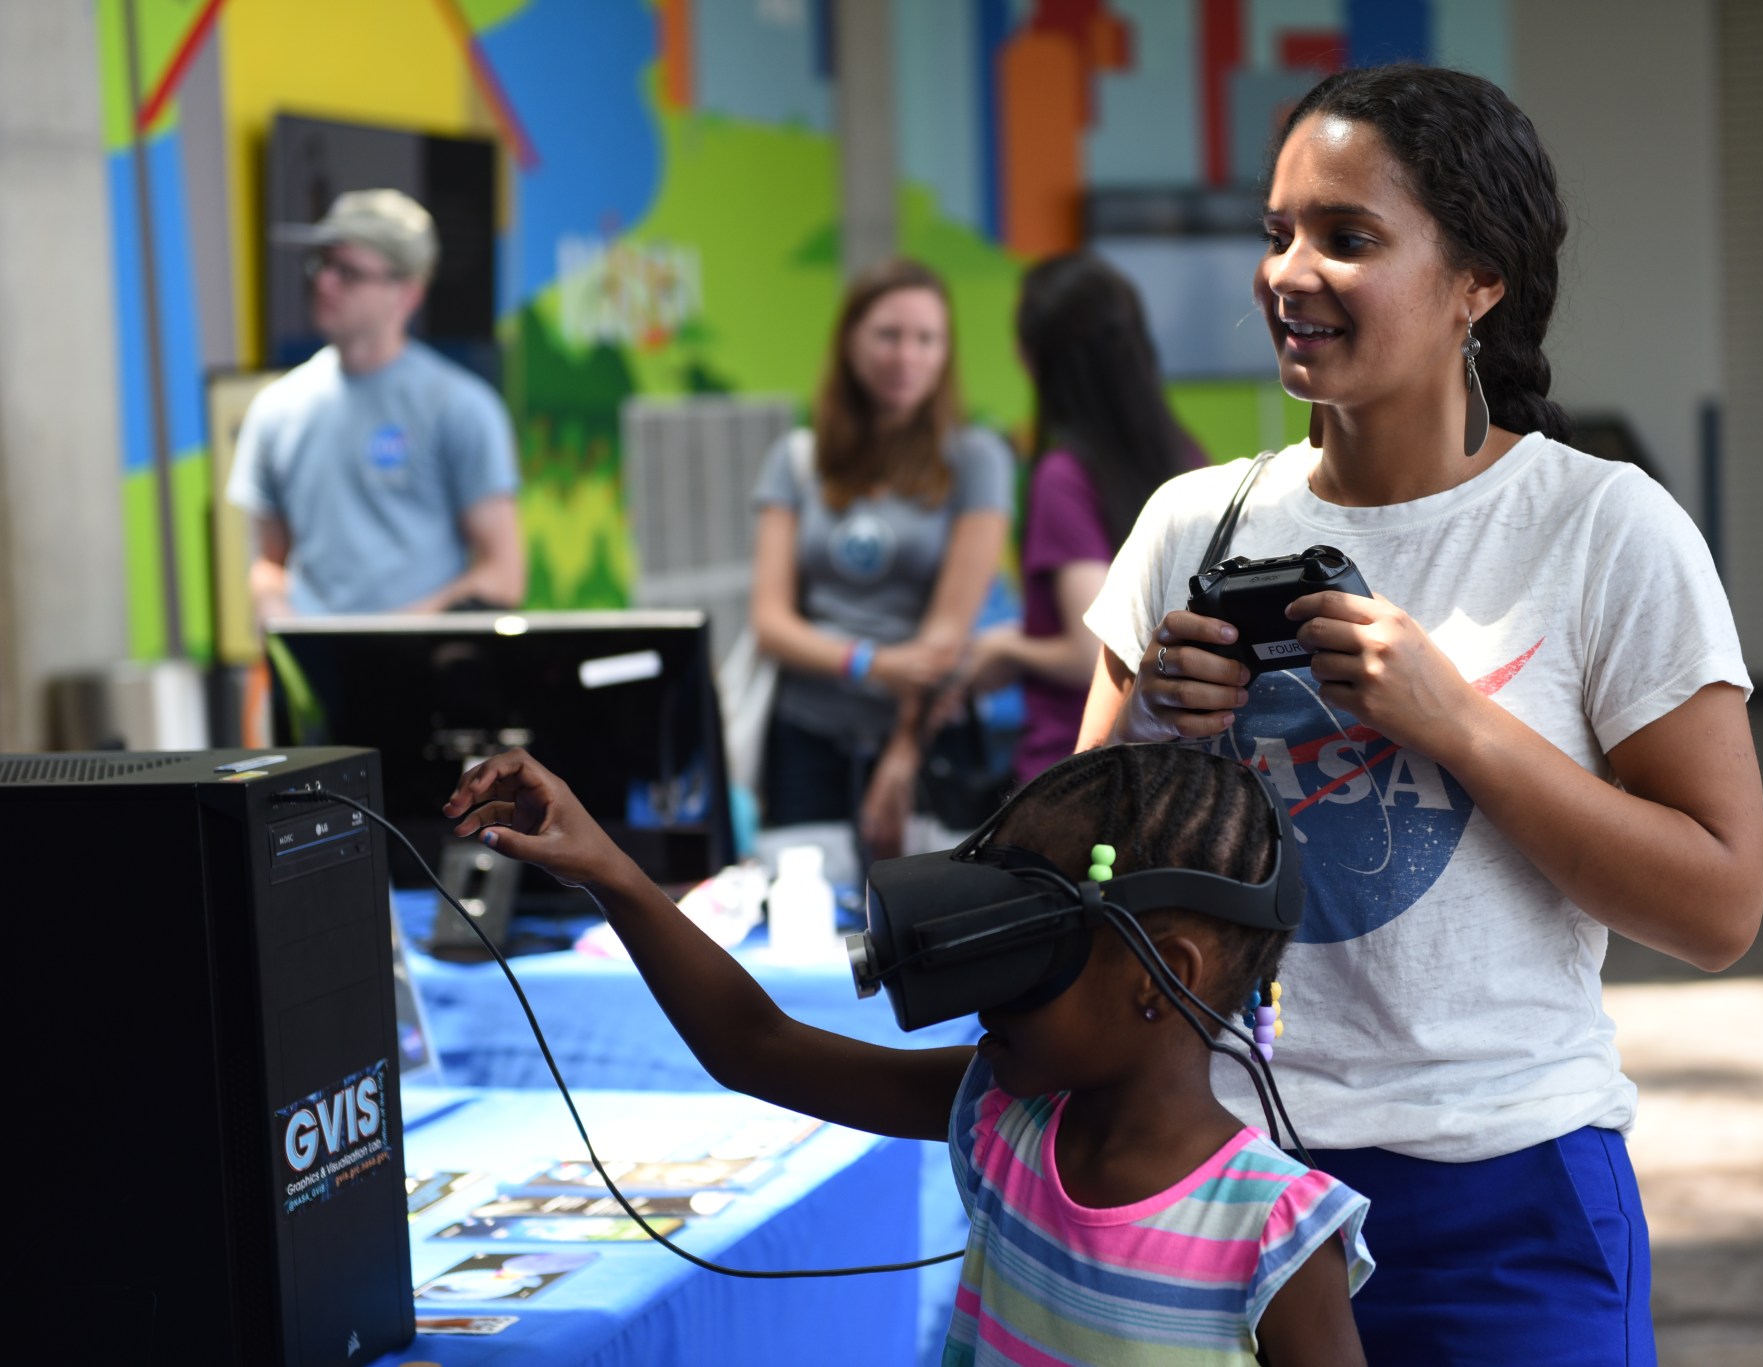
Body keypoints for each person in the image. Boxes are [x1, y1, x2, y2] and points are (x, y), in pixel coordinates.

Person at [1077, 65, 1763, 1363]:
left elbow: (1721, 904)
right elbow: (1075, 877)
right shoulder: (1190, 525)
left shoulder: (1600, 529)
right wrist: (1151, 729)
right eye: (1277, 231)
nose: (1291, 271)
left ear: (1478, 282)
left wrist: (1460, 723)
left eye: (1347, 237)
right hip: (1217, 1176)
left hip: (1503, 1196)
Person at [442, 741, 1374, 1366]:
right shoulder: (1005, 1120)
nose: (981, 994)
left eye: (1029, 950)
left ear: (1157, 975)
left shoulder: (1275, 1234)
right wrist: (609, 868)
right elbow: (756, 1045)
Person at [749, 259, 1011, 859]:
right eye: (888, 335)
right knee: (801, 918)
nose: (906, 356)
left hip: (925, 740)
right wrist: (868, 662)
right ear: (850, 340)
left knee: (921, 922)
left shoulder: (976, 459)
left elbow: (946, 635)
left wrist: (902, 753)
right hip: (804, 735)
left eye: (927, 339)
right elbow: (771, 621)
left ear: (947, 352)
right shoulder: (796, 458)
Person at [955, 252, 1202, 784]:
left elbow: (1087, 650)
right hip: (1172, 766)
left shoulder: (1064, 476)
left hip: (1075, 771)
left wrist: (1004, 647)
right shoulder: (1189, 458)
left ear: (1039, 358)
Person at [228, 189, 525, 621]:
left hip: (422, 676)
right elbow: (268, 562)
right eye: (321, 264)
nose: (324, 282)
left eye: (347, 272)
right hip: (317, 678)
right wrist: (281, 618)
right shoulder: (275, 409)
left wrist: (386, 643)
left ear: (406, 293)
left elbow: (503, 574)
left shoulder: (459, 407)